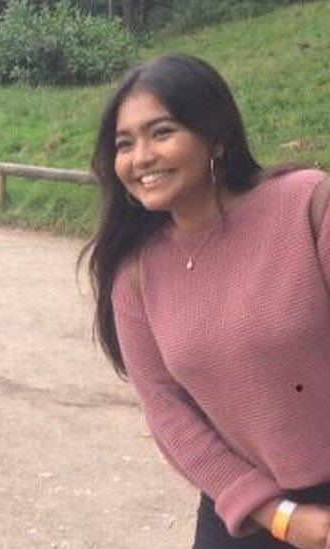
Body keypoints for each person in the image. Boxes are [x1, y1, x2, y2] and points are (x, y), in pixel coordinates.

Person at [82, 53, 330, 548]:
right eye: (125, 144)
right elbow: (168, 412)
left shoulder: (307, 205)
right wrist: (278, 516)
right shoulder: (134, 275)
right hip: (249, 512)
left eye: (161, 132)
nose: (141, 156)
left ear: (215, 135)